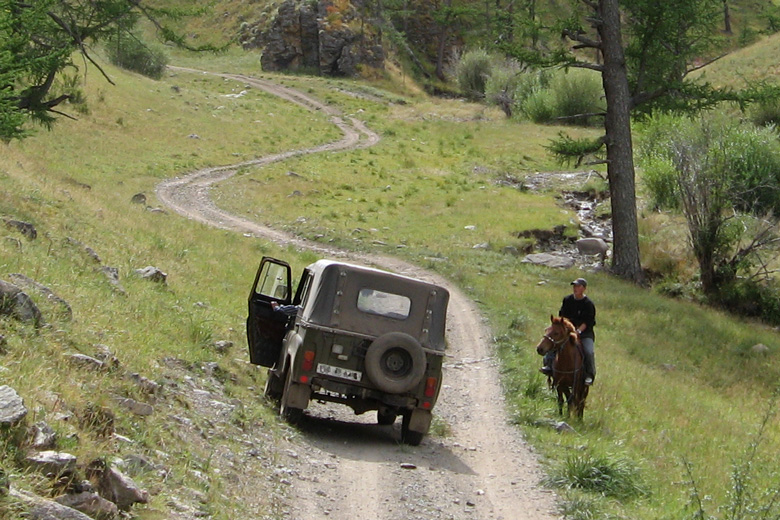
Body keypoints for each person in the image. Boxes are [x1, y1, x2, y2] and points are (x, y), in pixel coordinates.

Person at [541, 277, 597, 385]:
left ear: (584, 288)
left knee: (588, 351)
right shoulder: (567, 300)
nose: (575, 288)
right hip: (567, 331)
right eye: (574, 286)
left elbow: (588, 321)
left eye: (578, 286)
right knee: (553, 343)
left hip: (585, 333)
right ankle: (549, 366)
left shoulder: (588, 304)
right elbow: (562, 317)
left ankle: (589, 374)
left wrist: (578, 331)